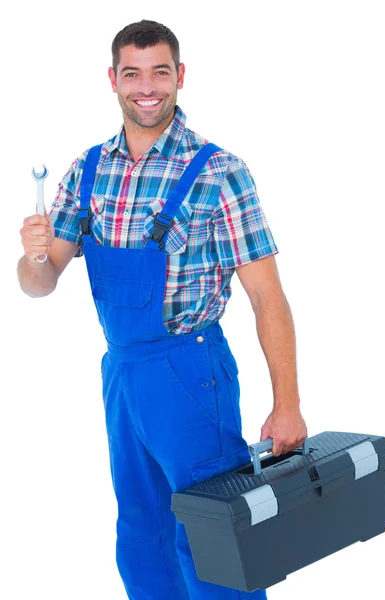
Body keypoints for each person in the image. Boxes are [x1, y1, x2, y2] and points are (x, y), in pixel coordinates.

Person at [18, 19, 307, 600]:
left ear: (180, 76)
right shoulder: (90, 169)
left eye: (159, 71)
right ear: (113, 79)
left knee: (212, 539)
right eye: (132, 72)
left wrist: (288, 405)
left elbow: (266, 295)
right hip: (122, 373)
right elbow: (40, 284)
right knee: (142, 535)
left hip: (191, 371)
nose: (146, 86)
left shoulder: (219, 172)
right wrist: (33, 256)